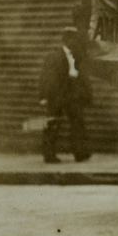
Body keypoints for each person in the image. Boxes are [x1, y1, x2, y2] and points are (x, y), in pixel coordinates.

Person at [39, 26, 92, 163]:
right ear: (66, 40)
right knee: (52, 124)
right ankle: (49, 155)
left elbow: (84, 78)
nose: (75, 42)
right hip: (57, 95)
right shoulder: (54, 56)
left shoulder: (79, 56)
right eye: (73, 39)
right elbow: (45, 77)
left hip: (73, 95)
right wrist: (44, 96)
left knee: (77, 123)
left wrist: (87, 94)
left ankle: (80, 153)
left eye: (77, 40)